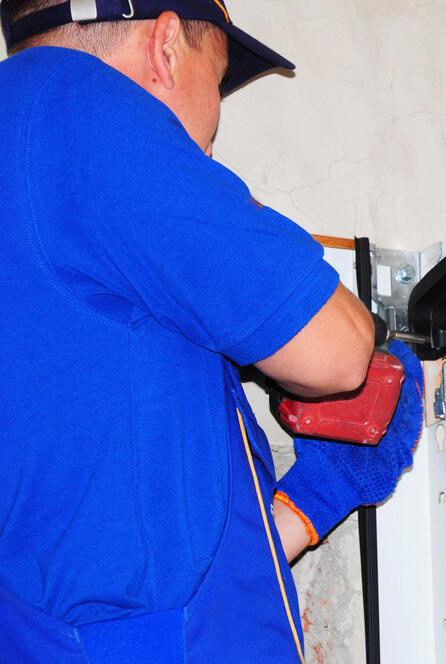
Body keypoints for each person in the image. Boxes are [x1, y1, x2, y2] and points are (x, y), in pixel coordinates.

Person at [0, 1, 421, 661]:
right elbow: (337, 351)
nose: (211, 138)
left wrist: (314, 500)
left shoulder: (32, 163)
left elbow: (103, 537)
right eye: (217, 80)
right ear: (166, 45)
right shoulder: (82, 107)